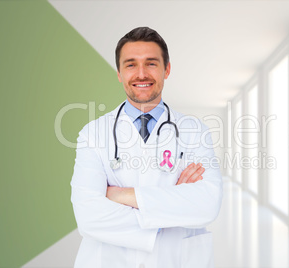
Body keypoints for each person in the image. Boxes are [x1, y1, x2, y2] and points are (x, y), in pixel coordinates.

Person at [71, 26, 223, 268]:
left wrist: (121, 195)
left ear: (167, 69)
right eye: (130, 64)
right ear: (119, 73)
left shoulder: (195, 131)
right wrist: (171, 206)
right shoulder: (93, 133)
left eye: (151, 63)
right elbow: (89, 216)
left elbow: (207, 204)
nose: (141, 74)